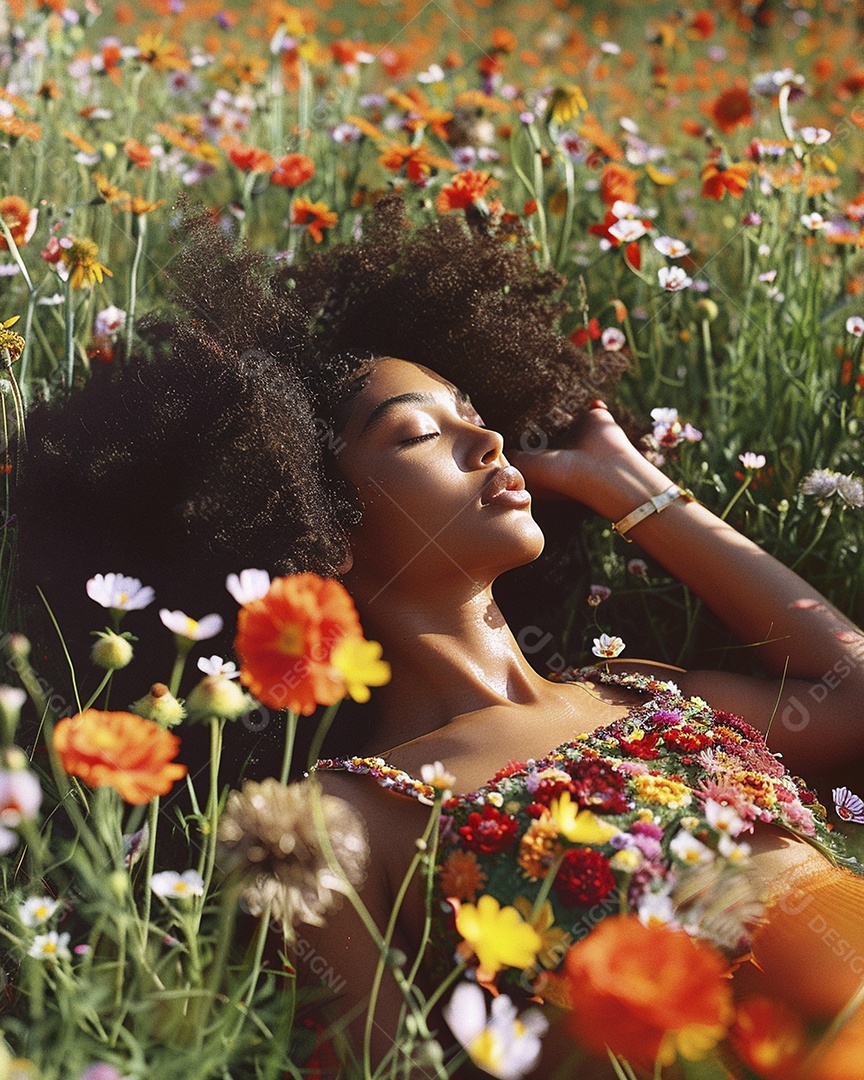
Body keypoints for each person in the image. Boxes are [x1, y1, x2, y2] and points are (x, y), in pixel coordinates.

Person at [14, 198, 864, 1077]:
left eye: (476, 413)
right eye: (420, 432)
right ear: (323, 527)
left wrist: (627, 483)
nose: (490, 439)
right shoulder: (333, 823)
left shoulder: (645, 691)